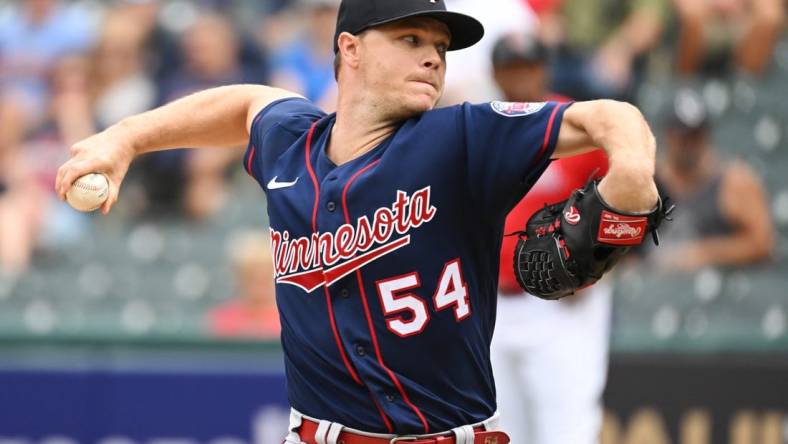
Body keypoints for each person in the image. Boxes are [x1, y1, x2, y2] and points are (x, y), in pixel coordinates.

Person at [56, 1, 660, 442]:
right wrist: (125, 138)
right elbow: (245, 105)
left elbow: (611, 117)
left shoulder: (463, 137)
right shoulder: (292, 144)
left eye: (441, 48)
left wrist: (630, 180)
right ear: (349, 48)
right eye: (411, 38)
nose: (432, 56)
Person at [489, 32, 613, 444]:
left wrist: (597, 266)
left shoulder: (576, 125)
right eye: (512, 67)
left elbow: (629, 204)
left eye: (529, 65)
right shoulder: (480, 128)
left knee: (568, 432)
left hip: (561, 305)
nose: (522, 75)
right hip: (494, 304)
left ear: (544, 67)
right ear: (496, 73)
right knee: (503, 432)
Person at [650, 90, 773, 271]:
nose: (689, 145)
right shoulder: (647, 180)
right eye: (682, 137)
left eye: (695, 136)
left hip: (717, 288)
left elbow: (763, 243)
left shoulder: (734, 182)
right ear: (668, 135)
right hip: (651, 287)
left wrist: (706, 252)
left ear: (706, 135)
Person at [673, 0, 786, 77]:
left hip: (744, 17)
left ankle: (746, 86)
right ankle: (685, 83)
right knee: (692, 14)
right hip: (705, 17)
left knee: (769, 16)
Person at [209, 231, 281, 338]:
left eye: (264, 276)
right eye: (250, 276)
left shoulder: (289, 319)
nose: (258, 282)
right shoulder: (222, 319)